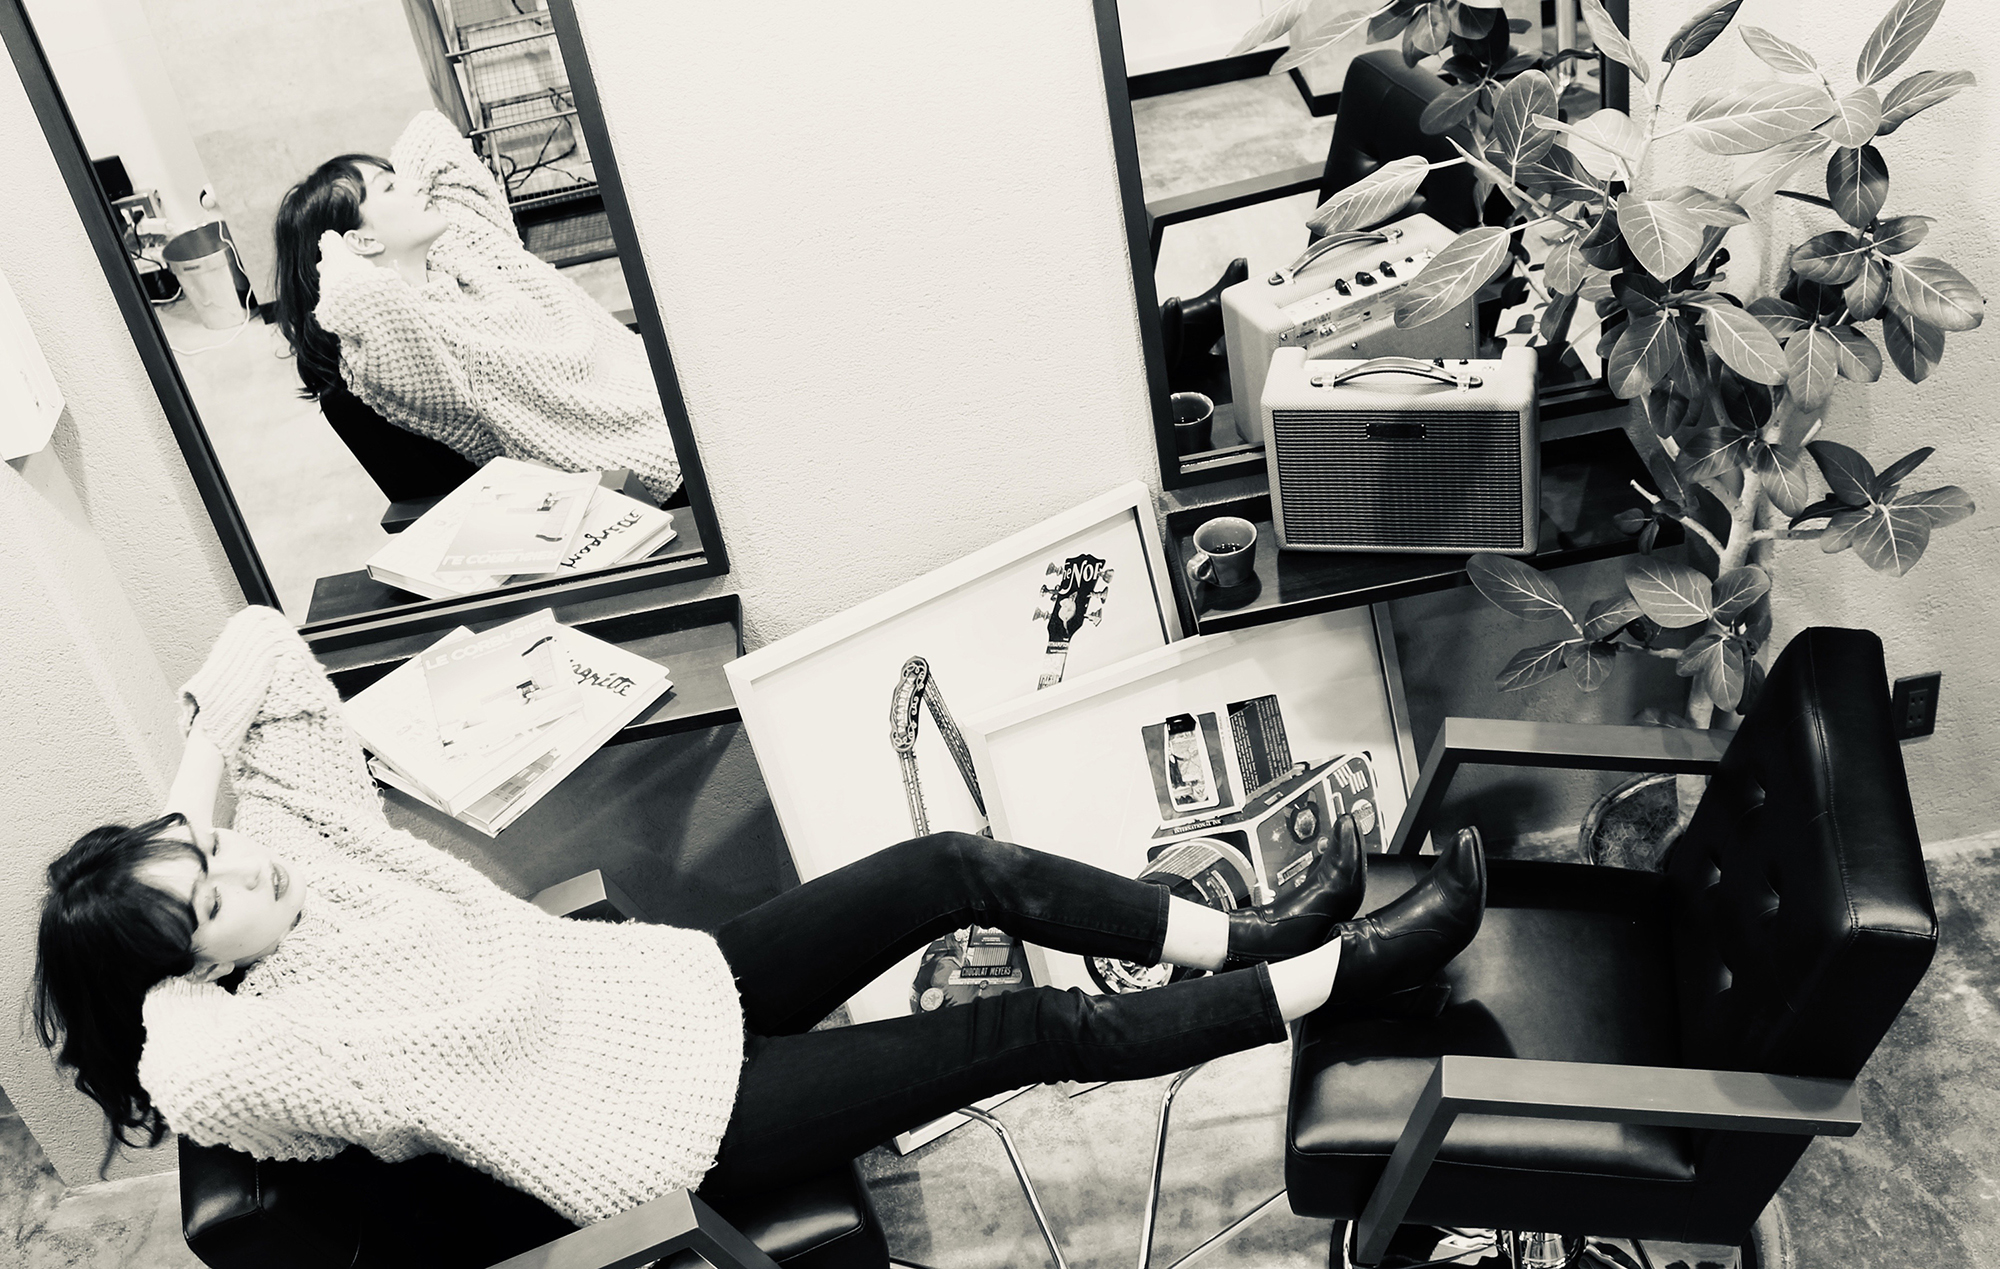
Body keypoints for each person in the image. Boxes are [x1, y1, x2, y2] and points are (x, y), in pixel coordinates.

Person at [32, 606, 1485, 1222]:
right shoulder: (247, 1049)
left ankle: (1258, 938)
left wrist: (187, 814)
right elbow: (178, 1064)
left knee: (954, 864)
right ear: (186, 975)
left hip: (666, 992)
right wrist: (153, 961)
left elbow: (260, 647)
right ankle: (1336, 976)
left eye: (217, 852)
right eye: (211, 901)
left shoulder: (312, 857)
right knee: (1030, 1026)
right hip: (666, 1125)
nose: (245, 870)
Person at [270, 111, 681, 502]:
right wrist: (336, 256)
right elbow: (363, 301)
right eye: (390, 187)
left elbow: (432, 135)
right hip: (631, 466)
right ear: (360, 242)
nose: (417, 186)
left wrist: (387, 188)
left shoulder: (462, 252)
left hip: (651, 389)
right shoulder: (404, 348)